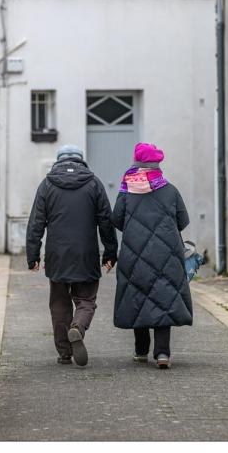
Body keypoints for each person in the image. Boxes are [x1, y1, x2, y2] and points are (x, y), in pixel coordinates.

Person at [26, 144, 118, 367]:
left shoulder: (47, 185)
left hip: (57, 255)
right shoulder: (94, 183)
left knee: (59, 304)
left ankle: (64, 353)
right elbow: (106, 220)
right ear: (81, 160)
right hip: (86, 253)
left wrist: (33, 254)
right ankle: (77, 328)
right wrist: (110, 252)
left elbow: (36, 222)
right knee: (86, 300)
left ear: (58, 160)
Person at [111, 142, 193, 369]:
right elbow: (182, 221)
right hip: (167, 254)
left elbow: (116, 220)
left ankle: (140, 351)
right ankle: (162, 354)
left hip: (133, 253)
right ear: (158, 164)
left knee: (139, 296)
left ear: (136, 163)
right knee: (163, 298)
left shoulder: (127, 190)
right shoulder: (170, 190)